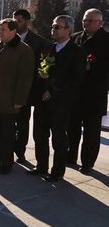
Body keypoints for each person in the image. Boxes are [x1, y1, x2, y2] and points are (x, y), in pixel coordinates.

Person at [29, 15, 86, 182]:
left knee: (58, 138)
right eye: (53, 27)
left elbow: (76, 79)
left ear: (68, 30)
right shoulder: (48, 48)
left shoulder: (77, 52)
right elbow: (40, 72)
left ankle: (57, 171)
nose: (53, 30)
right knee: (39, 135)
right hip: (42, 101)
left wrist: (53, 92)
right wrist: (41, 80)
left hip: (61, 103)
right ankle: (41, 166)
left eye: (57, 27)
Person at [0, 18, 35, 173]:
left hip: (9, 101)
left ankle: (6, 162)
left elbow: (26, 78)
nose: (0, 32)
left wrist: (19, 100)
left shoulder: (24, 50)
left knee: (8, 134)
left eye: (3, 29)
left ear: (13, 31)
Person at [67, 8, 109, 174]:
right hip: (75, 93)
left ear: (100, 23)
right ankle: (70, 156)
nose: (87, 23)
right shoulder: (75, 37)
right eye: (85, 20)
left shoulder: (106, 40)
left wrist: (92, 68)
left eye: (91, 21)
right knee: (72, 128)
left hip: (94, 93)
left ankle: (87, 162)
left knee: (91, 132)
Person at [12, 9, 50, 163]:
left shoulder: (40, 42)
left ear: (27, 22)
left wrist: (43, 75)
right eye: (14, 21)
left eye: (18, 21)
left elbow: (45, 64)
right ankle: (6, 147)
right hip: (10, 87)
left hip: (30, 89)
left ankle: (20, 151)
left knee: (22, 121)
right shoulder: (8, 38)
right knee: (9, 121)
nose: (15, 24)